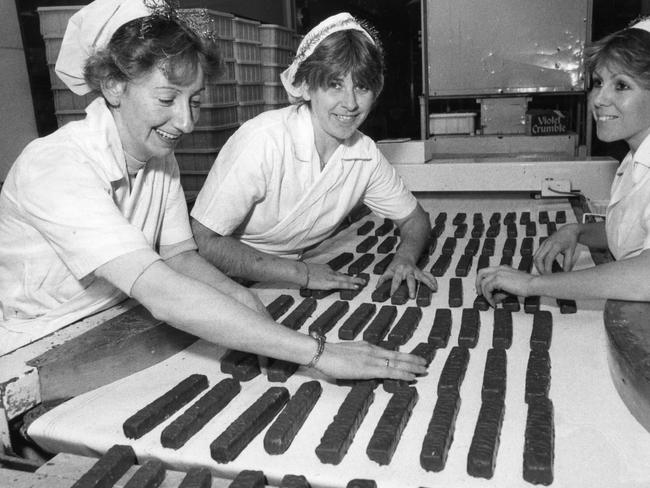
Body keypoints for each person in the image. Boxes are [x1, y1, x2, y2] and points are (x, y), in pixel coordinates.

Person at [0, 0, 426, 382]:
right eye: (167, 98)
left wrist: (242, 299)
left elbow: (180, 256)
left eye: (195, 101)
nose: (186, 123)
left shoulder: (160, 159)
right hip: (35, 347)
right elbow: (162, 291)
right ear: (113, 85)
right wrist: (319, 354)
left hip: (115, 320)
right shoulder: (55, 165)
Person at [190, 13, 437, 300]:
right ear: (305, 86)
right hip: (220, 279)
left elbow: (416, 219)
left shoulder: (364, 154)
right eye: (335, 84)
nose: (351, 103)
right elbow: (203, 242)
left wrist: (405, 259)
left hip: (279, 284)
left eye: (362, 86)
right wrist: (302, 274)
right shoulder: (264, 140)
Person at [476, 18, 650, 306]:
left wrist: (534, 284)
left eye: (621, 86)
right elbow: (633, 232)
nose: (599, 99)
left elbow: (645, 276)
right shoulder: (635, 158)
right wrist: (578, 231)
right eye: (598, 83)